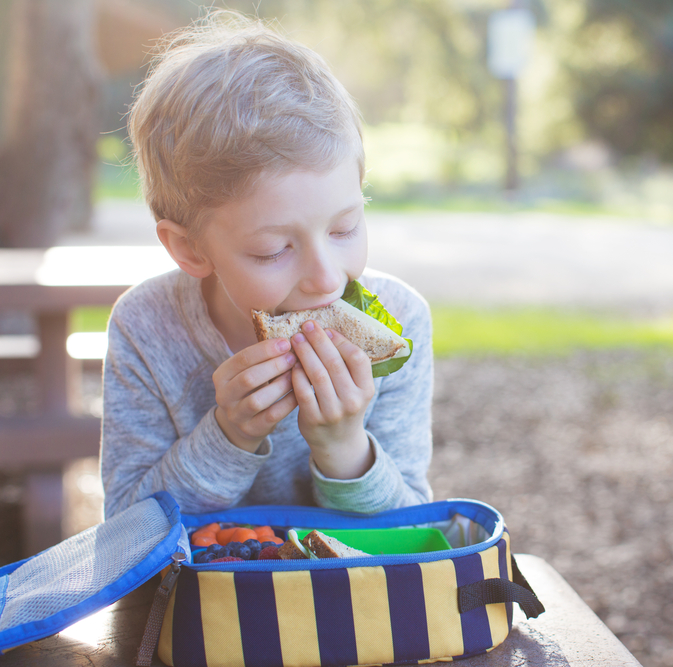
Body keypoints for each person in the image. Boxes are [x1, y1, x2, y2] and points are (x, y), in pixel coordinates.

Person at [99, 11, 433, 518]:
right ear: (191, 249)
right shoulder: (145, 327)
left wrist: (345, 448)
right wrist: (229, 435)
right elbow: (127, 531)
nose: (326, 277)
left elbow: (410, 534)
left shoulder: (401, 322)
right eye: (274, 251)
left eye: (344, 229)